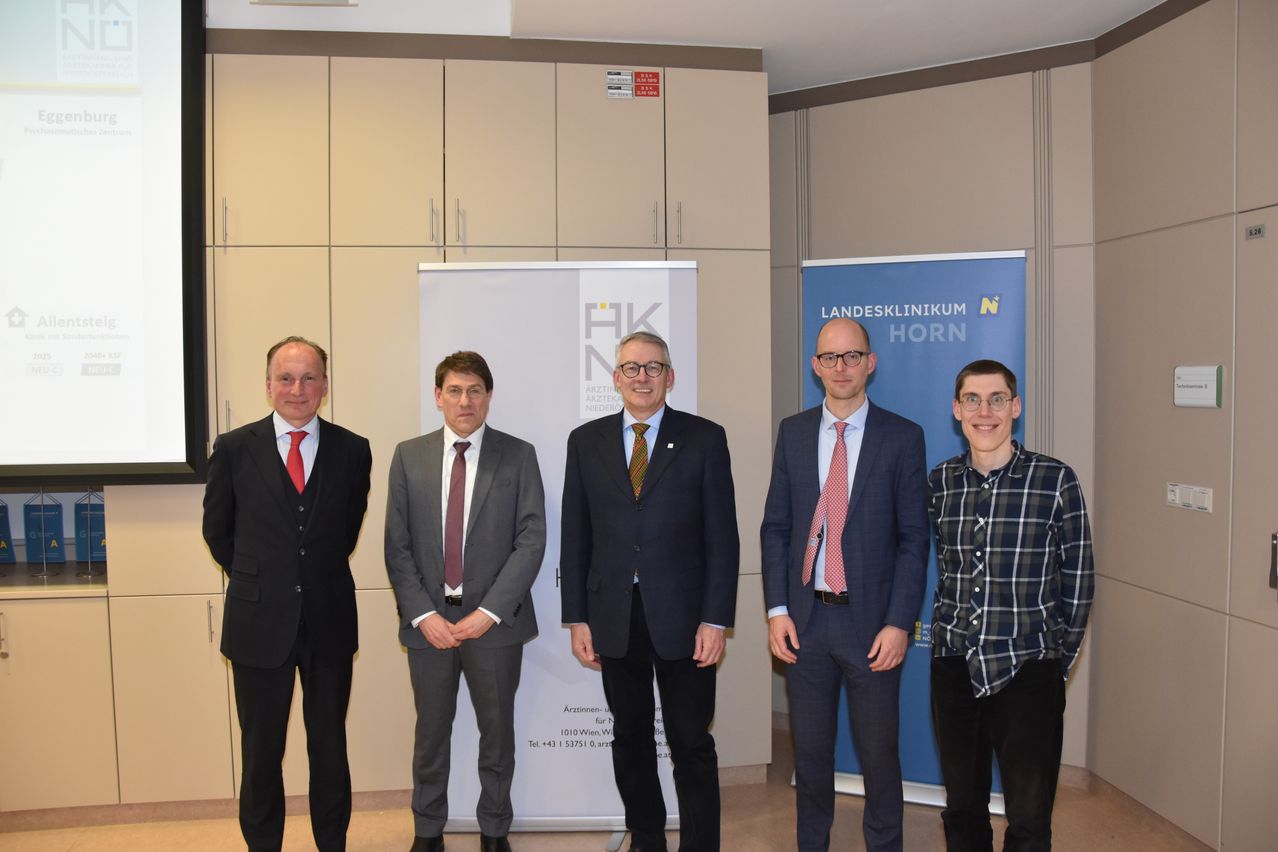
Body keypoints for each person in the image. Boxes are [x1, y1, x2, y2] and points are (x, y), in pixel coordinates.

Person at [560, 330, 739, 852]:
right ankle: (647, 837)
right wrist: (578, 618)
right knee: (630, 737)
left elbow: (722, 537)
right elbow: (576, 535)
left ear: (671, 376)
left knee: (691, 741)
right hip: (613, 616)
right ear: (616, 378)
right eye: (632, 368)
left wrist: (715, 619)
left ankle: (702, 844)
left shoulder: (705, 438)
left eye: (653, 367)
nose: (643, 377)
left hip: (685, 619)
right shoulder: (585, 441)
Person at [760, 317, 929, 852]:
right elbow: (777, 527)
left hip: (872, 626)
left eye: (852, 356)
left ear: (870, 362)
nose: (841, 367)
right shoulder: (792, 431)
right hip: (806, 623)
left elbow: (913, 540)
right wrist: (777, 610)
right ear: (815, 365)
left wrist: (900, 622)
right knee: (810, 756)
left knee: (879, 757)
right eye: (830, 357)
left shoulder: (903, 437)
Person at [203, 335, 372, 852]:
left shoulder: (353, 449)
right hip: (258, 625)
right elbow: (218, 532)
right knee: (260, 752)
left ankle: (332, 843)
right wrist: (265, 581)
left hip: (328, 621)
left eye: (308, 377)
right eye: (285, 377)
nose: (297, 389)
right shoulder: (233, 449)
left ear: (324, 384)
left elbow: (346, 530)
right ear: (268, 384)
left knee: (329, 748)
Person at [927, 359, 1094, 851]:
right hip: (955, 666)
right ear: (957, 410)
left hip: (1029, 667)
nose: (985, 412)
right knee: (962, 810)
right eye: (973, 400)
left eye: (997, 399)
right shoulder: (940, 483)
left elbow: (1079, 580)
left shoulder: (1055, 480)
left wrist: (1053, 661)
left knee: (1028, 816)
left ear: (1015, 407)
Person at [384, 351, 547, 852]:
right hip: (428, 624)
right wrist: (424, 615)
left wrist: (487, 613)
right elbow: (397, 545)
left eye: (475, 390)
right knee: (430, 736)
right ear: (438, 397)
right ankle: (427, 830)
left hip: (495, 626)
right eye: (454, 390)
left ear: (489, 397)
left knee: (497, 738)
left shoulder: (518, 455)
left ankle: (494, 830)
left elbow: (531, 539)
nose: (465, 400)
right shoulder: (408, 456)